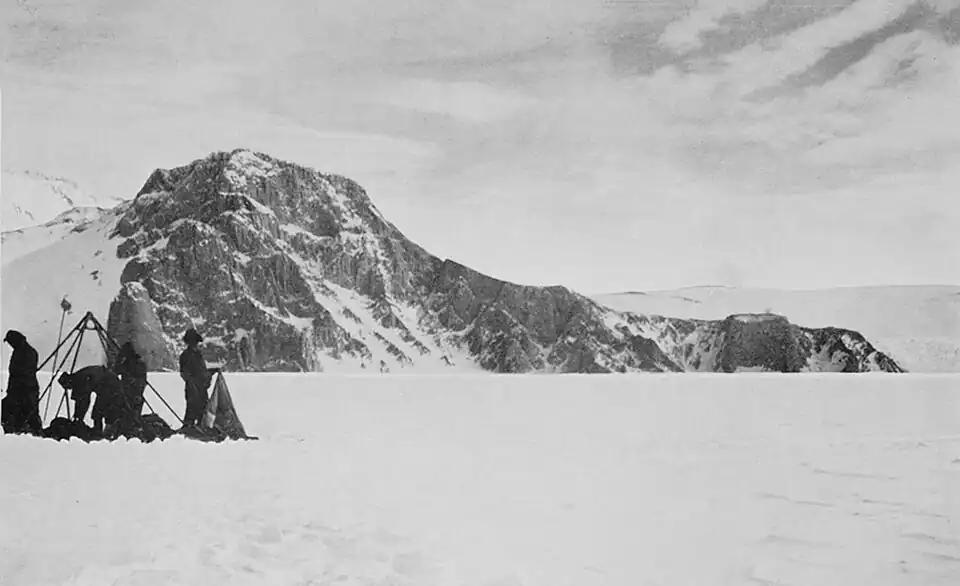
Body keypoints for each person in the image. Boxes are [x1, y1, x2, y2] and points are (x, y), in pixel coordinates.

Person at [57, 365, 125, 436]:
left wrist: (78, 418)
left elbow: (83, 401)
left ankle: (101, 432)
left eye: (67, 387)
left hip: (109, 385)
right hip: (108, 382)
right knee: (99, 410)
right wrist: (77, 417)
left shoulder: (79, 380)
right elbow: (80, 400)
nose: (68, 389)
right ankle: (101, 430)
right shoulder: (78, 376)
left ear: (68, 382)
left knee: (99, 410)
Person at [2, 330, 42, 435]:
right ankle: (25, 431)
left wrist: (14, 388)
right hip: (25, 388)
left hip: (24, 389)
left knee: (24, 412)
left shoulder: (24, 352)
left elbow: (20, 373)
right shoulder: (26, 351)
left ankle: (23, 432)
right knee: (27, 412)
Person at [179, 328, 211, 429]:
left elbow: (202, 372)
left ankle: (199, 429)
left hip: (201, 388)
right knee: (192, 410)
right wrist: (193, 382)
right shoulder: (185, 355)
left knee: (202, 410)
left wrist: (210, 373)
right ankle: (189, 429)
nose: (195, 344)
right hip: (193, 389)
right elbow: (185, 373)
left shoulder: (197, 355)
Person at [115, 341, 148, 419]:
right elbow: (116, 371)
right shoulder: (128, 363)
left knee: (131, 418)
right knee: (130, 418)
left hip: (133, 396)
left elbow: (115, 371)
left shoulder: (134, 364)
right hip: (130, 395)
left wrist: (119, 359)